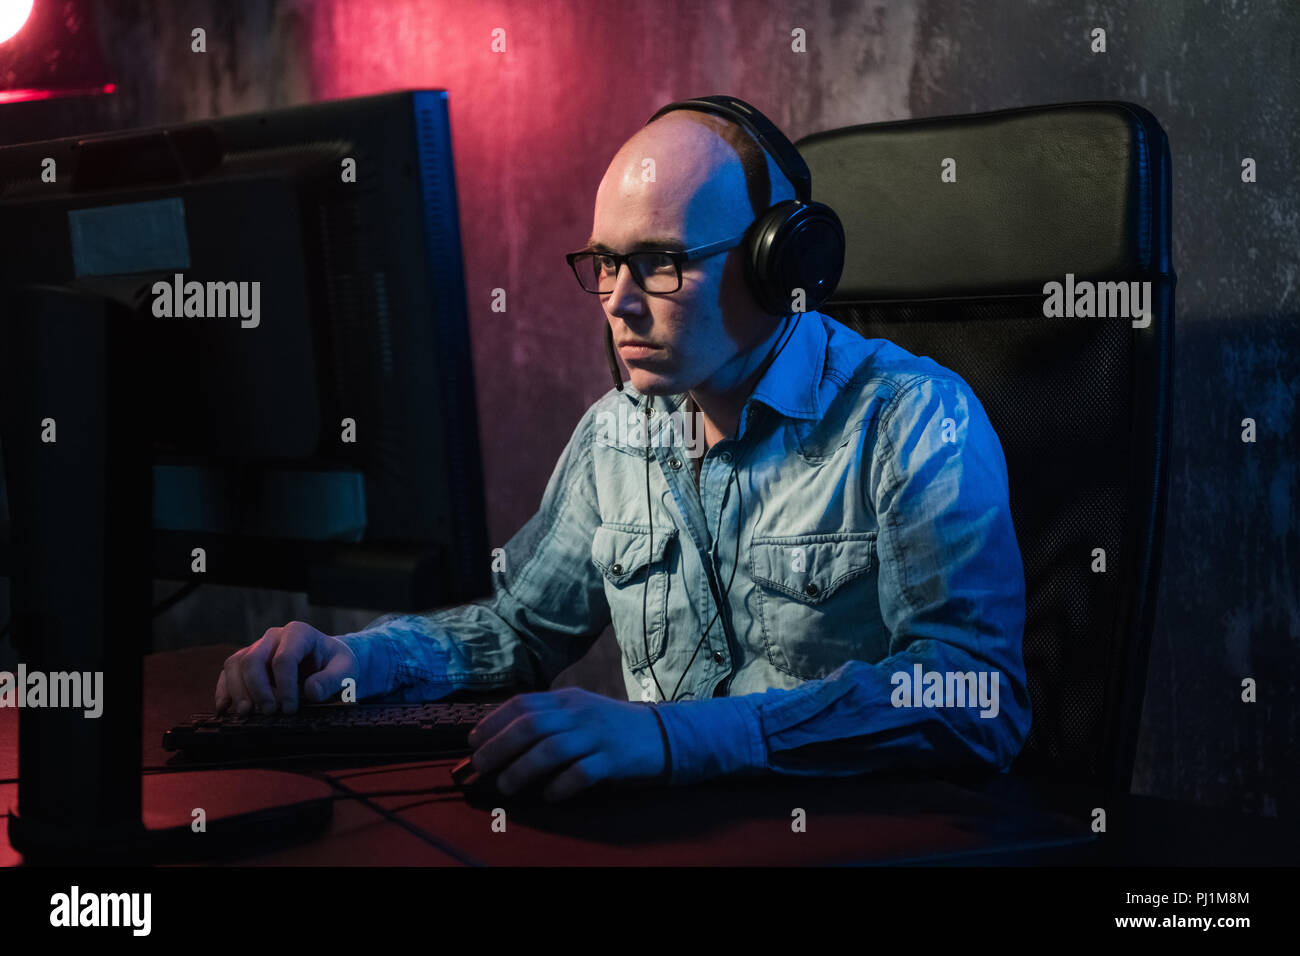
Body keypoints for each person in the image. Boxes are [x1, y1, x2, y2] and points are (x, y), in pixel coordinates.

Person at [214, 97, 1032, 803]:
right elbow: (520, 631)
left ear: (782, 262)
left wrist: (681, 740)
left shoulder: (913, 420)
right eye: (604, 264)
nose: (616, 302)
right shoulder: (619, 430)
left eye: (659, 264)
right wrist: (357, 660)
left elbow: (976, 696)